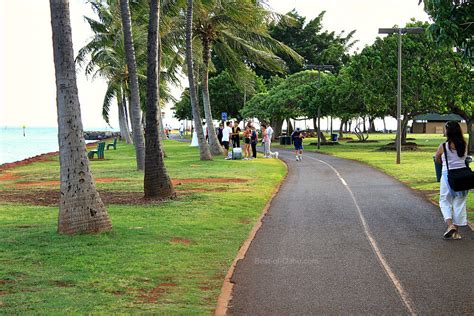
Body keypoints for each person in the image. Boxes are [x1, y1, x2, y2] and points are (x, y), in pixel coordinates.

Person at [434, 121, 469, 240]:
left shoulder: (443, 146)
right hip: (463, 176)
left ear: (448, 131)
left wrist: (442, 160)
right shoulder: (464, 145)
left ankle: (450, 225)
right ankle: (456, 231)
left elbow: (437, 159)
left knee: (445, 200)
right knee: (459, 202)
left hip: (448, 176)